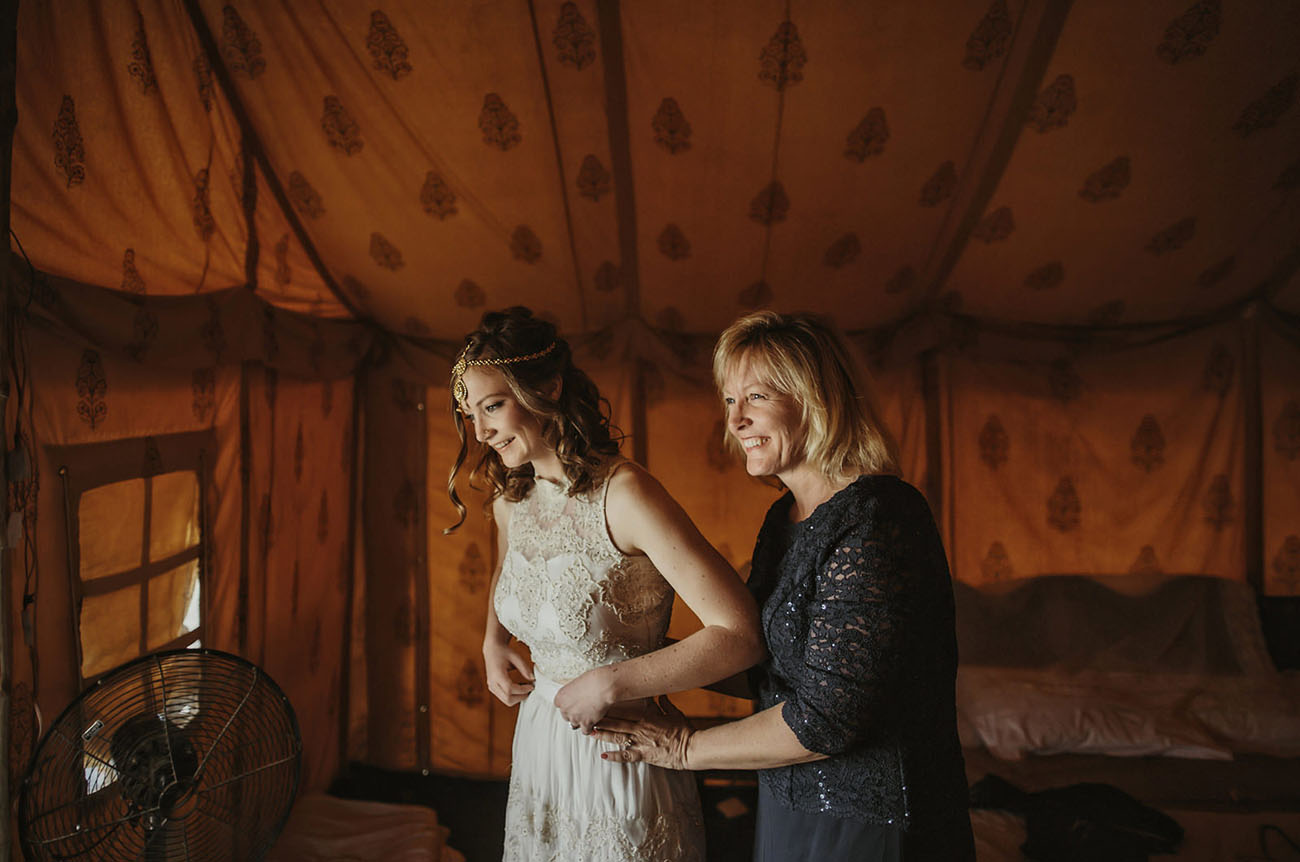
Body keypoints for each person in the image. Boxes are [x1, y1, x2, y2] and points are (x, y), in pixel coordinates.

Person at [595, 311, 975, 861]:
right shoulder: (783, 519)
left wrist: (683, 749)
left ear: (817, 399)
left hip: (874, 821)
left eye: (756, 397)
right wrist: (625, 657)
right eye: (730, 400)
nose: (735, 420)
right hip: (788, 801)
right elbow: (767, 667)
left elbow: (827, 717)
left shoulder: (878, 516)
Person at [445, 307, 764, 862]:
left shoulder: (626, 495)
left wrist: (611, 683)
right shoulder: (511, 501)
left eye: (492, 406)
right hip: (540, 745)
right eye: (470, 414)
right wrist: (493, 641)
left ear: (548, 388)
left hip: (620, 755)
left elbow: (739, 635)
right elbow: (509, 574)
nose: (480, 432)